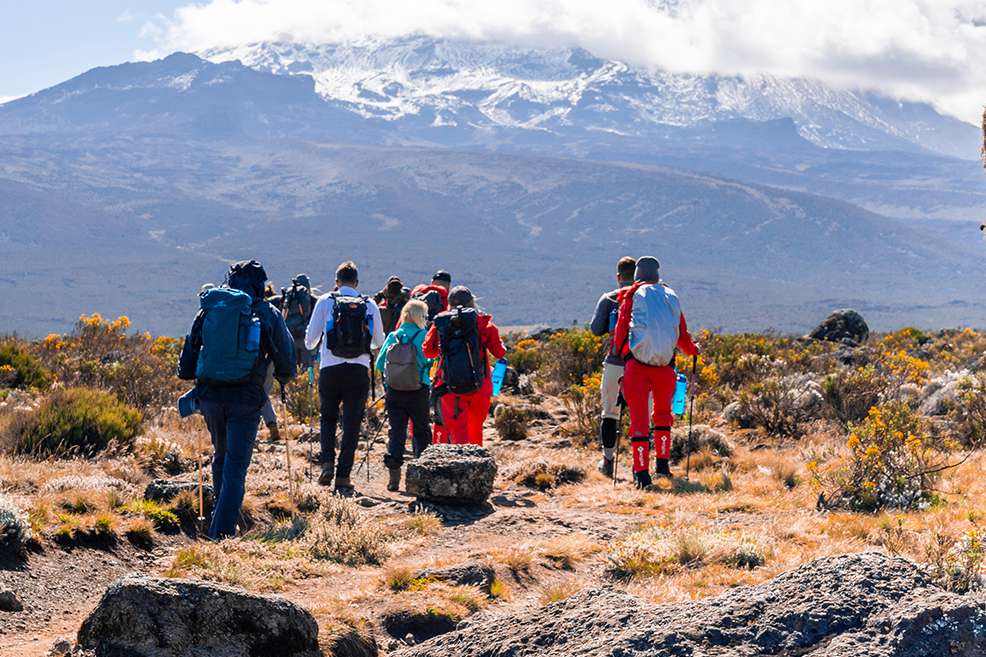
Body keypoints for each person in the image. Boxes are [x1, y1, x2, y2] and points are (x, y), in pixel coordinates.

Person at [178, 260, 296, 539]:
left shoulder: (211, 308)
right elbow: (286, 360)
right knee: (236, 467)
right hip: (246, 398)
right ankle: (221, 535)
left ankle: (219, 524)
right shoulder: (267, 312)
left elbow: (187, 362)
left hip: (210, 396)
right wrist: (282, 377)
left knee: (221, 456)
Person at [612, 256, 699, 488]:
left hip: (637, 366)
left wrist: (621, 352)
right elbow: (682, 334)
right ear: (658, 274)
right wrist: (693, 350)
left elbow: (622, 328)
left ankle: (642, 474)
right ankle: (662, 466)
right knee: (662, 416)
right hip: (665, 368)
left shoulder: (632, 294)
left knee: (639, 419)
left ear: (638, 275)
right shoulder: (670, 296)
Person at [305, 261, 385, 494]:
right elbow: (378, 341)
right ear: (357, 283)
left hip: (330, 369)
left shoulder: (325, 301)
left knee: (328, 418)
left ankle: (327, 463)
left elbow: (310, 341)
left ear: (337, 282)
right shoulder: (369, 304)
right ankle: (343, 477)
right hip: (358, 370)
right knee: (352, 424)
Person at [423, 286, 506, 446]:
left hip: (450, 385)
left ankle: (458, 458)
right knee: (475, 427)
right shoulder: (484, 324)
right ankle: (475, 458)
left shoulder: (441, 323)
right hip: (479, 385)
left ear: (449, 303)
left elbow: (428, 351)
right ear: (472, 302)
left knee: (457, 429)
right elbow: (499, 353)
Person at [375, 299, 434, 491]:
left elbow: (379, 363)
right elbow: (431, 360)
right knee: (421, 430)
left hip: (394, 391)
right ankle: (422, 475)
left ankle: (394, 479)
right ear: (420, 316)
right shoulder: (424, 336)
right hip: (419, 389)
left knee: (396, 432)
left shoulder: (393, 336)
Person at [589, 256, 636, 476]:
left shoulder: (609, 298)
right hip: (643, 364)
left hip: (615, 362)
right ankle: (640, 464)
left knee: (610, 413)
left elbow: (596, 329)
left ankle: (608, 460)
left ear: (618, 276)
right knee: (641, 416)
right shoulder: (647, 297)